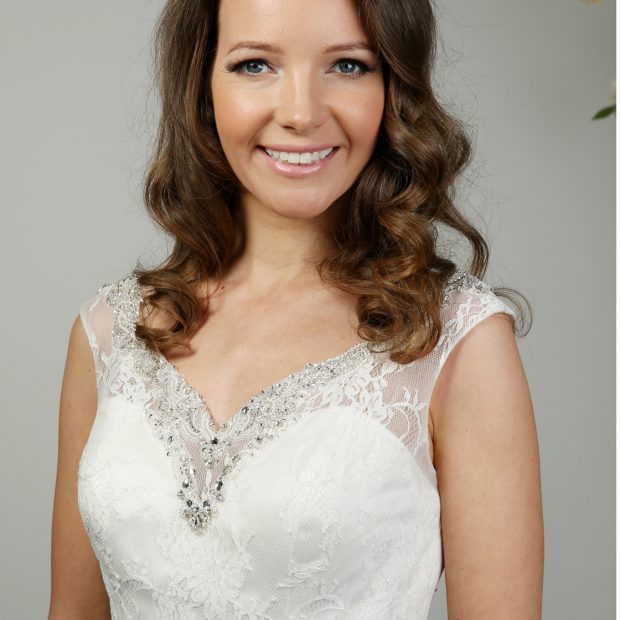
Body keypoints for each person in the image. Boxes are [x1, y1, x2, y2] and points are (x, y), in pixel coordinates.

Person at [48, 0, 544, 618]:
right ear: (201, 86)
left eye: (348, 65)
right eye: (255, 65)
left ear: (393, 88)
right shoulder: (110, 332)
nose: (302, 113)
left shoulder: (458, 339)